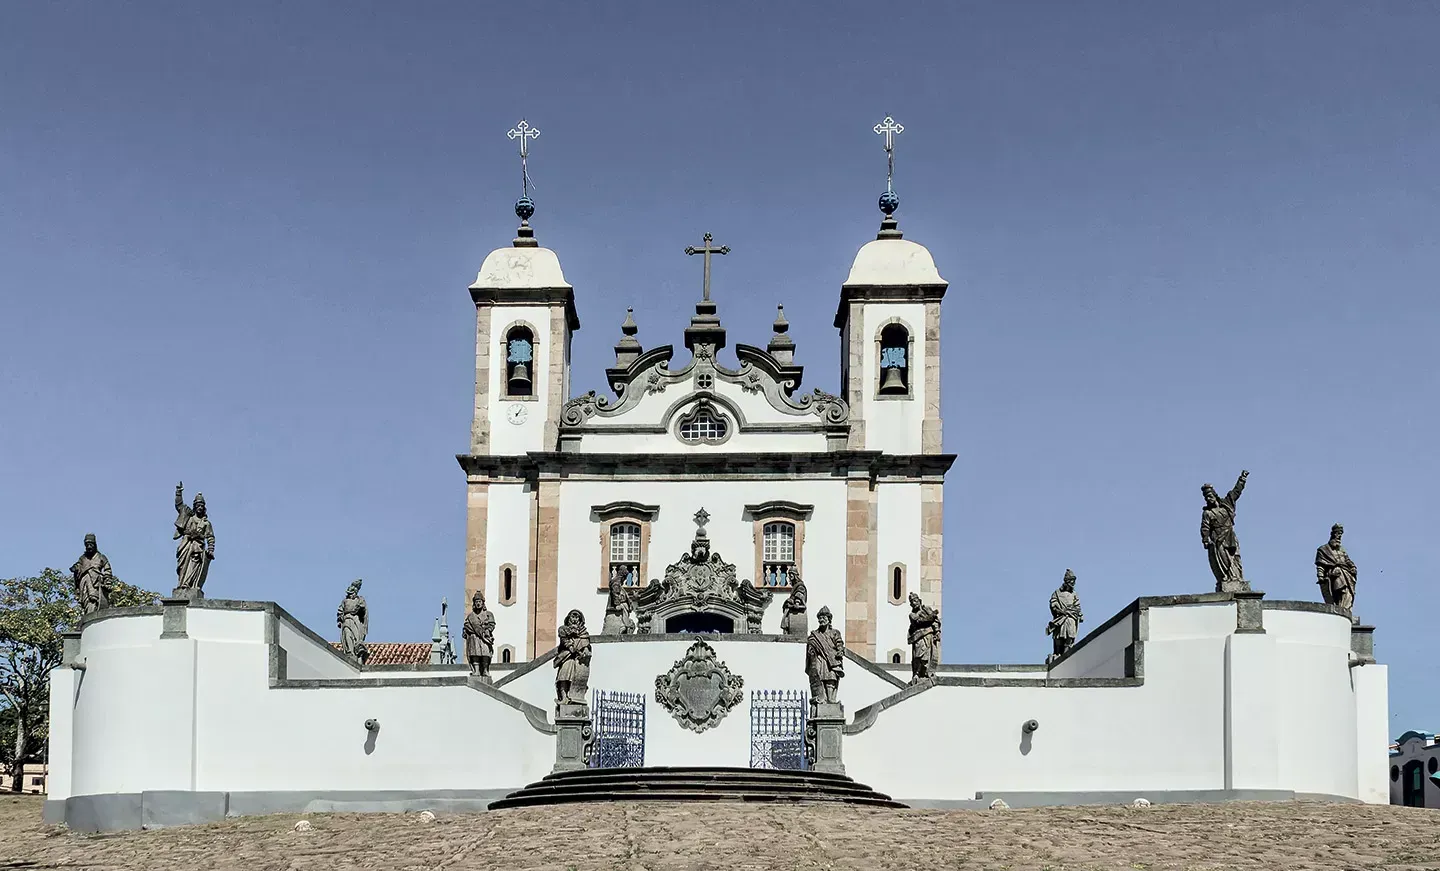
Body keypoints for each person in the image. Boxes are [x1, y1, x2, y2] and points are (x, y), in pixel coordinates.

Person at [1200, 470, 1248, 591]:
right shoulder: (1207, 513)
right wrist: (1205, 540)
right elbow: (1205, 527)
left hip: (1230, 536)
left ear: (1215, 495)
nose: (1208, 499)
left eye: (1210, 496)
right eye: (1206, 498)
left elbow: (1236, 491)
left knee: (1235, 559)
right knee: (1224, 562)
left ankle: (1237, 579)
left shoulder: (1227, 503)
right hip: (1218, 539)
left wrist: (1242, 479)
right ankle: (1227, 579)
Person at [173, 481, 216, 599]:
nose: (200, 508)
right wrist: (178, 493)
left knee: (194, 565)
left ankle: (189, 584)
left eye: (202, 506)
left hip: (197, 546)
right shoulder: (188, 516)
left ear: (204, 508)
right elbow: (179, 506)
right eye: (198, 505)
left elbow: (210, 537)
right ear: (195, 506)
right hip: (186, 544)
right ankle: (181, 585)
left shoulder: (206, 523)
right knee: (182, 566)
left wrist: (211, 550)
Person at [1315, 524, 1358, 618]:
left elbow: (1348, 560)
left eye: (1341, 534)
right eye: (1338, 534)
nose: (1339, 536)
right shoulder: (1323, 550)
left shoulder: (1341, 550)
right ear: (1332, 534)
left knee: (1347, 594)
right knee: (1340, 590)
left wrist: (1353, 567)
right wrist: (1321, 577)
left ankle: (1345, 610)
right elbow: (1320, 565)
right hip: (1334, 574)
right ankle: (1339, 609)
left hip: (1347, 574)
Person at [805, 606, 845, 705]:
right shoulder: (814, 635)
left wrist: (840, 651)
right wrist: (811, 651)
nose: (821, 620)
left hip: (832, 659)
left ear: (829, 619)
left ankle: (831, 699)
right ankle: (822, 698)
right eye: (820, 618)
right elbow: (810, 646)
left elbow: (839, 643)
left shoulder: (834, 632)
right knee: (820, 677)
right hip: (820, 658)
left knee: (831, 677)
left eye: (824, 617)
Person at [554, 609, 592, 706]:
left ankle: (574, 696)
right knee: (563, 677)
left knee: (575, 678)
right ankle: (564, 697)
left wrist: (586, 651)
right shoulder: (563, 629)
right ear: (569, 618)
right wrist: (571, 647)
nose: (574, 619)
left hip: (578, 660)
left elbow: (586, 644)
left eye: (577, 617)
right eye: (573, 617)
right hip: (567, 657)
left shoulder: (584, 632)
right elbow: (564, 641)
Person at [70, 533, 114, 616]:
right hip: (84, 583)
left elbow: (107, 570)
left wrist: (107, 582)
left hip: (96, 583)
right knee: (87, 601)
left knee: (94, 600)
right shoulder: (82, 558)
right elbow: (78, 566)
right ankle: (88, 616)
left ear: (95, 545)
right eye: (87, 545)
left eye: (91, 544)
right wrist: (75, 569)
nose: (89, 547)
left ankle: (92, 616)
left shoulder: (101, 557)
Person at [1046, 569, 1084, 664]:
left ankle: (1067, 654)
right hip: (1061, 617)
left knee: (1070, 636)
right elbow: (1053, 603)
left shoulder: (1074, 594)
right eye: (1071, 581)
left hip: (1071, 617)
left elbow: (1077, 605)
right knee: (1059, 637)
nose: (1073, 584)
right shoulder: (1057, 593)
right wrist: (1058, 610)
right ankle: (1058, 654)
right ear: (1067, 581)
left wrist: (1078, 613)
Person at [906, 593, 941, 683]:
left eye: (915, 600)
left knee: (929, 655)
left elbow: (935, 621)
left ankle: (927, 673)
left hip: (929, 636)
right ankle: (917, 673)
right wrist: (931, 616)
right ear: (911, 604)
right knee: (919, 656)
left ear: (919, 601)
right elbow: (920, 622)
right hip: (919, 638)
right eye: (912, 602)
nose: (914, 603)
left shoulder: (927, 609)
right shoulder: (912, 615)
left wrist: (937, 631)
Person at [464, 590, 497, 681]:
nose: (478, 603)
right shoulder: (471, 616)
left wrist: (487, 630)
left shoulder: (488, 614)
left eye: (480, 601)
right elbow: (466, 626)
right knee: (475, 653)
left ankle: (485, 670)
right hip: (474, 638)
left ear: (483, 602)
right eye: (476, 602)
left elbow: (492, 624)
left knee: (486, 653)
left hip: (485, 638)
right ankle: (476, 671)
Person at [336, 579, 369, 665]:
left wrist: (360, 607)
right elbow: (340, 610)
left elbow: (364, 611)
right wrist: (340, 618)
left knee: (356, 637)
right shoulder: (345, 601)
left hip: (356, 620)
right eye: (350, 594)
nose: (351, 595)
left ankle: (356, 652)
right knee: (347, 634)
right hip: (347, 619)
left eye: (353, 593)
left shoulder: (359, 600)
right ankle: (349, 651)